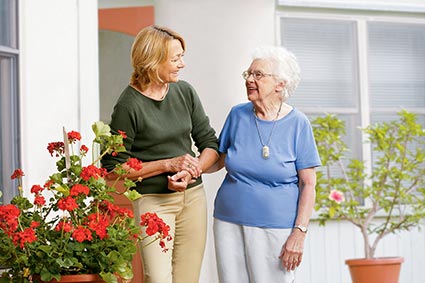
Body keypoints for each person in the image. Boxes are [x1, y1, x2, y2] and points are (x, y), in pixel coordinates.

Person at [101, 25, 219, 283]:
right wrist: (167, 164)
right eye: (175, 58)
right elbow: (112, 168)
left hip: (193, 197)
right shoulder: (128, 105)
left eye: (182, 56)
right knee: (158, 279)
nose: (182, 64)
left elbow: (210, 143)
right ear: (152, 61)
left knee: (187, 279)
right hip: (153, 201)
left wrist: (192, 170)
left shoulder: (185, 92)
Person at [209, 46, 321, 283]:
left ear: (280, 84)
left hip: (275, 225)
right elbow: (219, 159)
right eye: (248, 74)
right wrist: (192, 168)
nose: (250, 79)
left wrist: (299, 233)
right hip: (227, 220)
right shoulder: (237, 115)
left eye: (258, 75)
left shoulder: (298, 124)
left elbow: (308, 184)